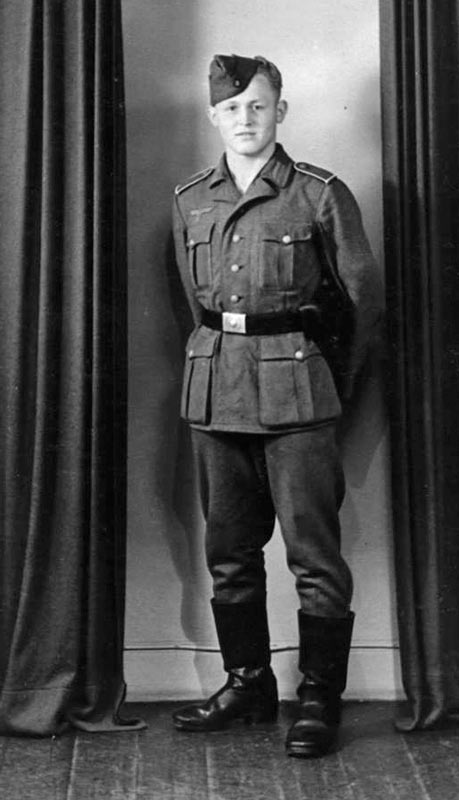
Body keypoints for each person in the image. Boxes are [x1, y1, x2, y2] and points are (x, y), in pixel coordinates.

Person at [171, 53, 382, 758]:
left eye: (258, 106)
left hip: (298, 393)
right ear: (213, 116)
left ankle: (319, 698)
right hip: (214, 392)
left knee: (313, 555)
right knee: (228, 552)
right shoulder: (190, 199)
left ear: (280, 112)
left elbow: (363, 306)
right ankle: (248, 684)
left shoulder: (318, 193)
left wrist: (328, 385)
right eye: (231, 108)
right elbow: (195, 303)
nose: (245, 119)